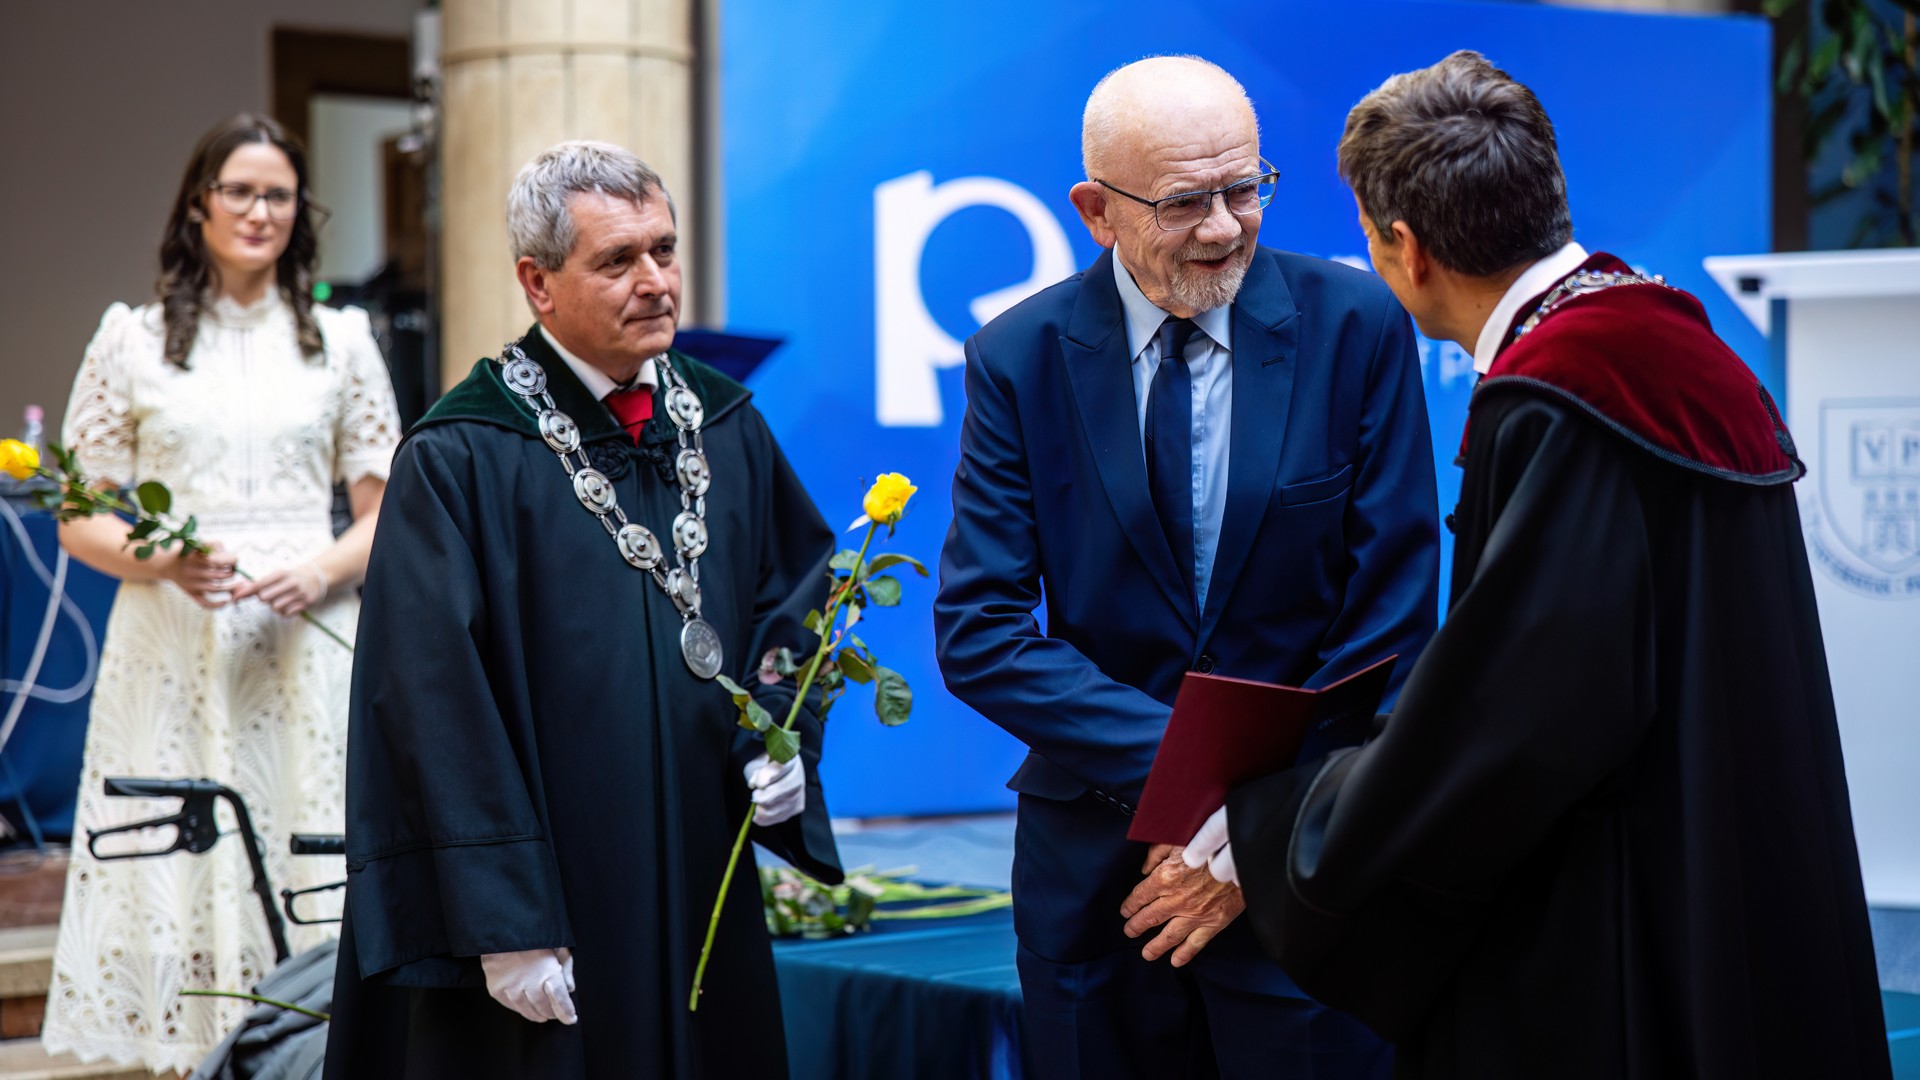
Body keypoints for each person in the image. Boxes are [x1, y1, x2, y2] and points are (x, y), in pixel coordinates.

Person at [1181, 51, 1894, 1079]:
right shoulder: (1674, 340)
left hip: (1625, 917)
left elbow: (1508, 723)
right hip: (1741, 863)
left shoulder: (1558, 398)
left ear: (1406, 249)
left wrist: (1284, 833)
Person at [935, 55, 1440, 1079]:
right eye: (1183, 202)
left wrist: (1259, 827)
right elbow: (980, 631)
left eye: (1244, 189)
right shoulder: (1017, 358)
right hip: (1095, 882)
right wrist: (1201, 788)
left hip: (1305, 874)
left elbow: (1392, 618)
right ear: (1096, 211)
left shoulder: (1357, 326)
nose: (1223, 227)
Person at [323, 140, 841, 1079]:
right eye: (617, 261)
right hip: (549, 900)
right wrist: (500, 917)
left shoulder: (726, 423)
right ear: (538, 282)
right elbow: (431, 703)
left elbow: (794, 597)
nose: (656, 282)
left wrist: (782, 734)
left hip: (695, 868)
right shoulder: (461, 455)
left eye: (664, 250)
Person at [43, 113, 400, 1075]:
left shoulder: (342, 341)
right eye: (239, 191)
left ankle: (310, 1049)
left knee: (302, 838)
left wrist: (319, 569)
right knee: (187, 851)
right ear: (199, 204)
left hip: (306, 635)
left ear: (299, 211)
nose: (259, 211)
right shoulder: (131, 339)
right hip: (173, 639)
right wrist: (162, 560)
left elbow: (388, 514)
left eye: (278, 194)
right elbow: (78, 514)